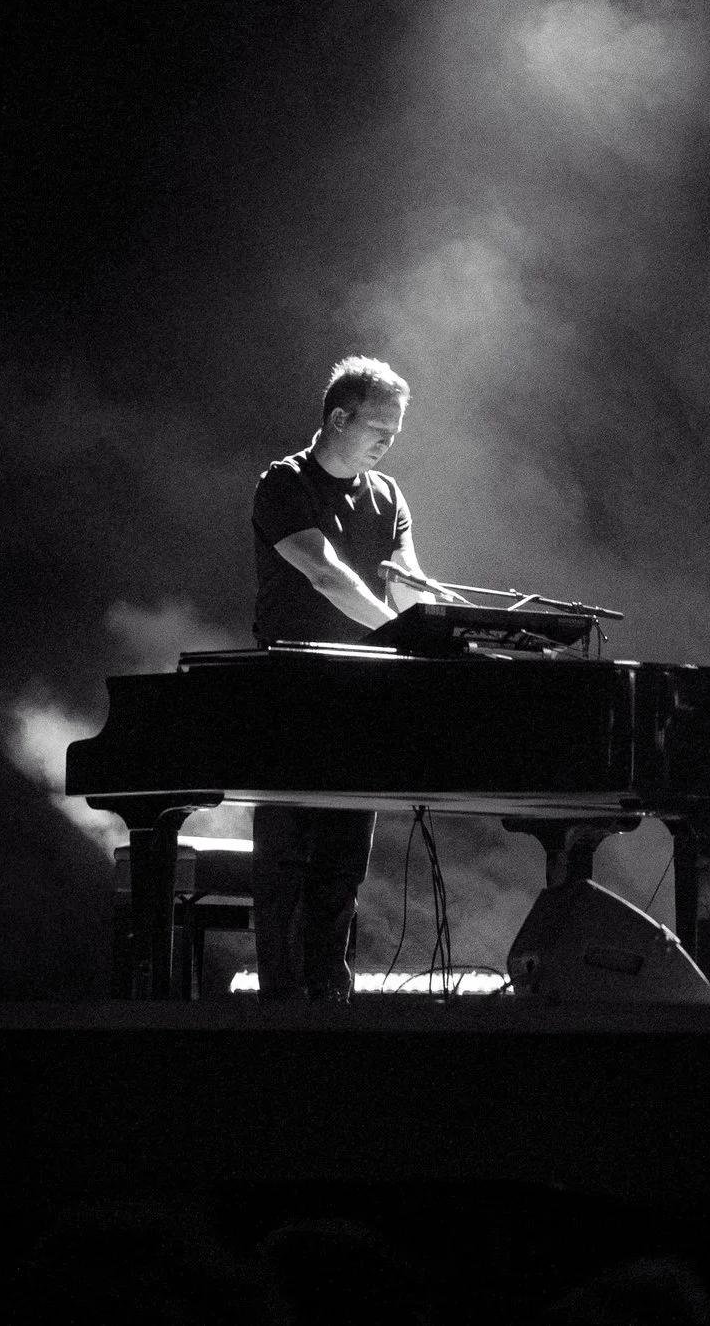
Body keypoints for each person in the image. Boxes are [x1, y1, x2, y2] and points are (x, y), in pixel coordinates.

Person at [249, 355, 441, 1001]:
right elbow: (327, 574)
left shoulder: (388, 497)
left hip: (361, 696)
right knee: (288, 868)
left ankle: (333, 1009)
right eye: (379, 430)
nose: (388, 445)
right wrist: (398, 632)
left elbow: (408, 584)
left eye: (395, 434)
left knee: (342, 874)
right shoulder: (283, 484)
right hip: (289, 695)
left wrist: (448, 622)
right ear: (338, 417)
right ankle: (279, 1015)